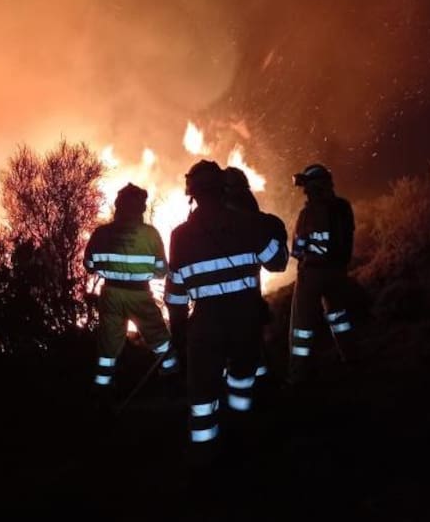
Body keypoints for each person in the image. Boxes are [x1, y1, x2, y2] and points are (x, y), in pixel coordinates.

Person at [166, 161, 286, 450]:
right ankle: (242, 437)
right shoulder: (250, 224)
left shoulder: (179, 236)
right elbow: (278, 262)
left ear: (191, 193)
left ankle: (205, 459)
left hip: (204, 326)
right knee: (241, 383)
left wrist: (180, 333)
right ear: (223, 188)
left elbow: (176, 294)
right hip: (245, 321)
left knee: (203, 398)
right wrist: (273, 229)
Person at [84, 183, 178, 402]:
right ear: (141, 209)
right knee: (159, 337)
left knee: (108, 345)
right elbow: (162, 270)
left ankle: (102, 391)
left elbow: (89, 265)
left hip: (111, 295)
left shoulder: (101, 233)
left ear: (118, 206)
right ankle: (171, 378)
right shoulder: (150, 234)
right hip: (140, 296)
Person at [286, 163, 356, 386]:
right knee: (339, 317)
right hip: (337, 272)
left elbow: (297, 250)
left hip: (312, 274)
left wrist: (303, 252)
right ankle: (350, 357)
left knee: (302, 327)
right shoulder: (344, 207)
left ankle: (299, 375)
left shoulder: (307, 214)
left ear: (312, 188)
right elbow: (348, 240)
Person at [222, 166, 289, 383]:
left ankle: (239, 398)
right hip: (246, 308)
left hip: (215, 311)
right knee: (251, 357)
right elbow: (276, 263)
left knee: (228, 360)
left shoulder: (201, 226)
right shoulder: (255, 223)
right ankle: (258, 395)